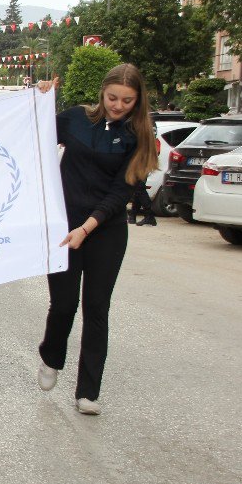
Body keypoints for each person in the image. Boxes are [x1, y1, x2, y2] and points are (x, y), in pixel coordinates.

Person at [36, 66, 158, 415]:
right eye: (112, 98)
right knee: (63, 305)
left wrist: (87, 228)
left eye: (127, 100)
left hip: (106, 229)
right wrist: (42, 97)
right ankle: (51, 356)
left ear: (138, 100)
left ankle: (88, 392)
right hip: (63, 226)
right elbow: (32, 131)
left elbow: (121, 192)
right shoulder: (75, 119)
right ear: (102, 94)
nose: (118, 106)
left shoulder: (139, 136)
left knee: (96, 308)